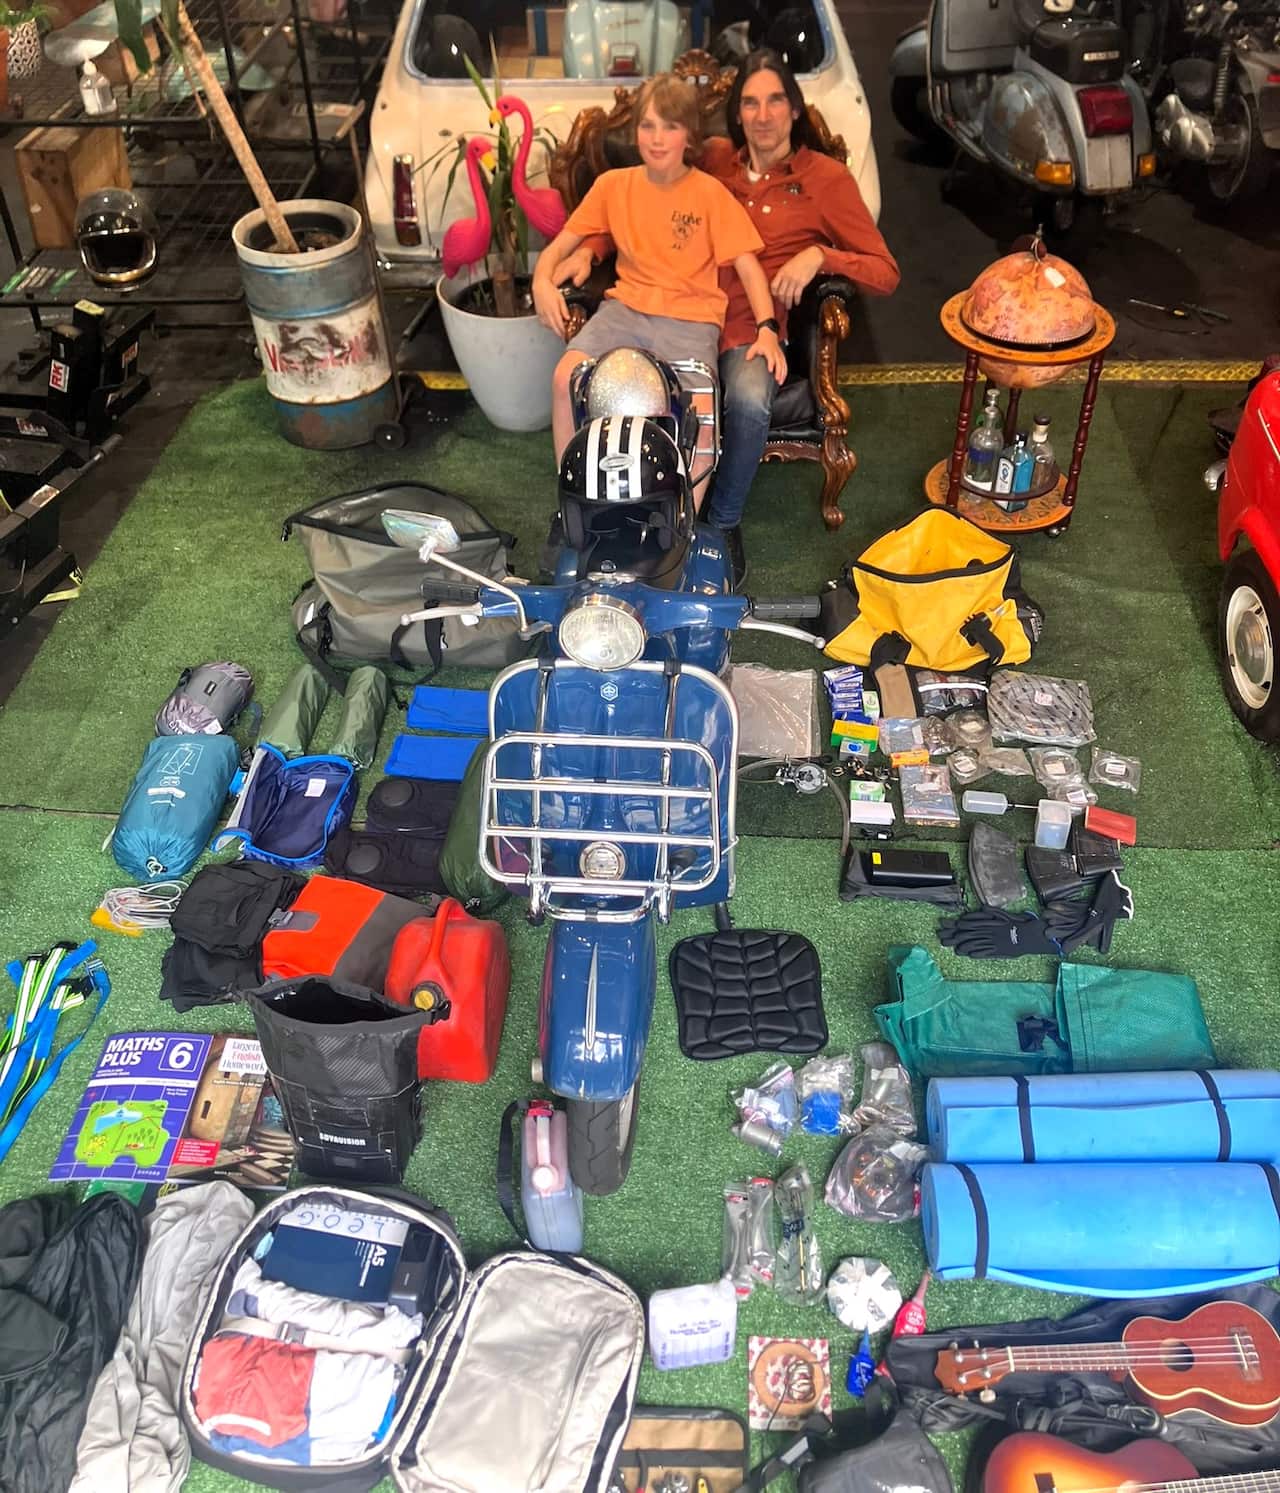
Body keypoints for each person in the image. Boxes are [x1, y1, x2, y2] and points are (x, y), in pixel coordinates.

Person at [556, 49, 900, 584]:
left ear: (794, 107)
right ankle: (614, 504)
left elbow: (886, 272)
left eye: (775, 101)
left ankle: (717, 524)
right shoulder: (715, 159)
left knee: (743, 396)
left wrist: (820, 256)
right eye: (750, 103)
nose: (762, 115)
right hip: (672, 310)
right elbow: (643, 203)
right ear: (735, 114)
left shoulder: (825, 178)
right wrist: (590, 250)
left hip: (745, 329)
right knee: (602, 380)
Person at [532, 72, 787, 504]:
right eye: (648, 125)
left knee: (702, 419)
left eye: (670, 126)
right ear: (635, 133)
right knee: (564, 378)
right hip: (625, 312)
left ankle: (683, 521)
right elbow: (559, 247)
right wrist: (542, 282)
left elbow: (748, 267)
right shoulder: (614, 186)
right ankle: (574, 497)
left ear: (689, 135)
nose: (657, 137)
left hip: (691, 322)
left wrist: (766, 328)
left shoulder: (709, 194)